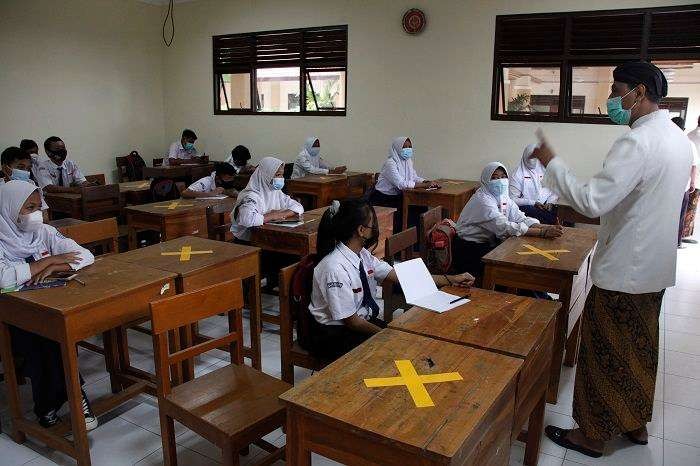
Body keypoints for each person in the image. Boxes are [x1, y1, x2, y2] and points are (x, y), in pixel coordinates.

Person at [533, 62, 692, 458]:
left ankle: (591, 434)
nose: (611, 99)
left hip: (623, 270)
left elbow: (591, 201)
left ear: (638, 93)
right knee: (640, 349)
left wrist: (552, 161)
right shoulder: (676, 138)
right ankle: (634, 424)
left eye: (616, 89)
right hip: (654, 269)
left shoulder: (636, 142)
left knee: (603, 353)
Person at [308, 199, 474, 360]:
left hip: (358, 324)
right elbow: (351, 321)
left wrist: (451, 279)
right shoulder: (334, 267)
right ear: (361, 230)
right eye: (373, 222)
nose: (375, 227)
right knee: (397, 352)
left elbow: (404, 277)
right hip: (332, 335)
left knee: (410, 343)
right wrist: (386, 334)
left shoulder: (362, 254)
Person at [0, 180, 97, 430]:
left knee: (56, 331)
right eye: (28, 208)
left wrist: (57, 265)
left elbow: (85, 254)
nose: (36, 214)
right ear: (9, 208)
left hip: (45, 306)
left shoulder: (42, 232)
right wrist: (48, 261)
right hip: (8, 316)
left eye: (37, 207)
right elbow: (3, 278)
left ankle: (51, 405)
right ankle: (71, 399)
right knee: (45, 339)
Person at [452, 162, 563, 282]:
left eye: (503, 177)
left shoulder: (502, 196)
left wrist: (544, 227)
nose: (500, 181)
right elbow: (504, 227)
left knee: (524, 261)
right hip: (470, 250)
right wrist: (542, 233)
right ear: (485, 180)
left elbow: (519, 217)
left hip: (489, 243)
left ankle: (537, 295)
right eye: (494, 178)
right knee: (516, 266)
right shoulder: (483, 200)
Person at [370, 137, 440, 231]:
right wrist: (424, 185)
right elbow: (401, 184)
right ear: (397, 148)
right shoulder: (390, 163)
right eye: (405, 147)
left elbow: (413, 177)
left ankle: (417, 238)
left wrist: (426, 181)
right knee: (410, 209)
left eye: (410, 146)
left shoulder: (408, 161)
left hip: (398, 195)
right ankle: (403, 238)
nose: (408, 149)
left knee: (420, 206)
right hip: (383, 198)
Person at [230, 156, 304, 241]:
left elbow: (298, 207)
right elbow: (247, 219)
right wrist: (273, 215)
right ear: (266, 176)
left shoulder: (275, 192)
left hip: (267, 237)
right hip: (249, 241)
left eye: (282, 175)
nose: (281, 178)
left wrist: (282, 215)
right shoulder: (250, 196)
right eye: (278, 175)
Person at [509, 143, 558, 224]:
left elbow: (555, 191)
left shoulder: (545, 170)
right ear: (525, 156)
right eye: (530, 157)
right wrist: (533, 203)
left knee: (558, 211)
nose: (532, 160)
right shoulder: (517, 174)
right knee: (533, 212)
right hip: (528, 206)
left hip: (545, 205)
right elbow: (512, 199)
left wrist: (550, 202)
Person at [671, 117, 698, 248]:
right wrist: (692, 182)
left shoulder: (665, 140)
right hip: (683, 186)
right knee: (680, 215)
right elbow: (694, 165)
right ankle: (676, 242)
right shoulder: (689, 143)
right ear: (683, 128)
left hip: (668, 187)